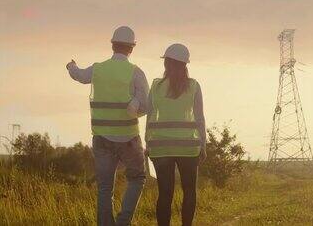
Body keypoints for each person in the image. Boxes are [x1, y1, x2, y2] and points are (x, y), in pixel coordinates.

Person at [66, 26, 148, 226]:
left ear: (112, 45)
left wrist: (71, 66)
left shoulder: (98, 69)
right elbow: (146, 105)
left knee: (104, 188)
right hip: (128, 138)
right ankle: (123, 222)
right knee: (137, 179)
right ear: (132, 48)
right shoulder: (136, 72)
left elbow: (79, 76)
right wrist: (134, 106)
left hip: (101, 138)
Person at [145, 43, 207, 226]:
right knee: (189, 191)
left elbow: (149, 116)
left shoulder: (156, 86)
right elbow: (199, 118)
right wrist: (203, 144)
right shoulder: (194, 86)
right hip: (188, 147)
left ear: (166, 64)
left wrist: (148, 143)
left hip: (161, 147)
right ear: (185, 64)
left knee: (165, 193)